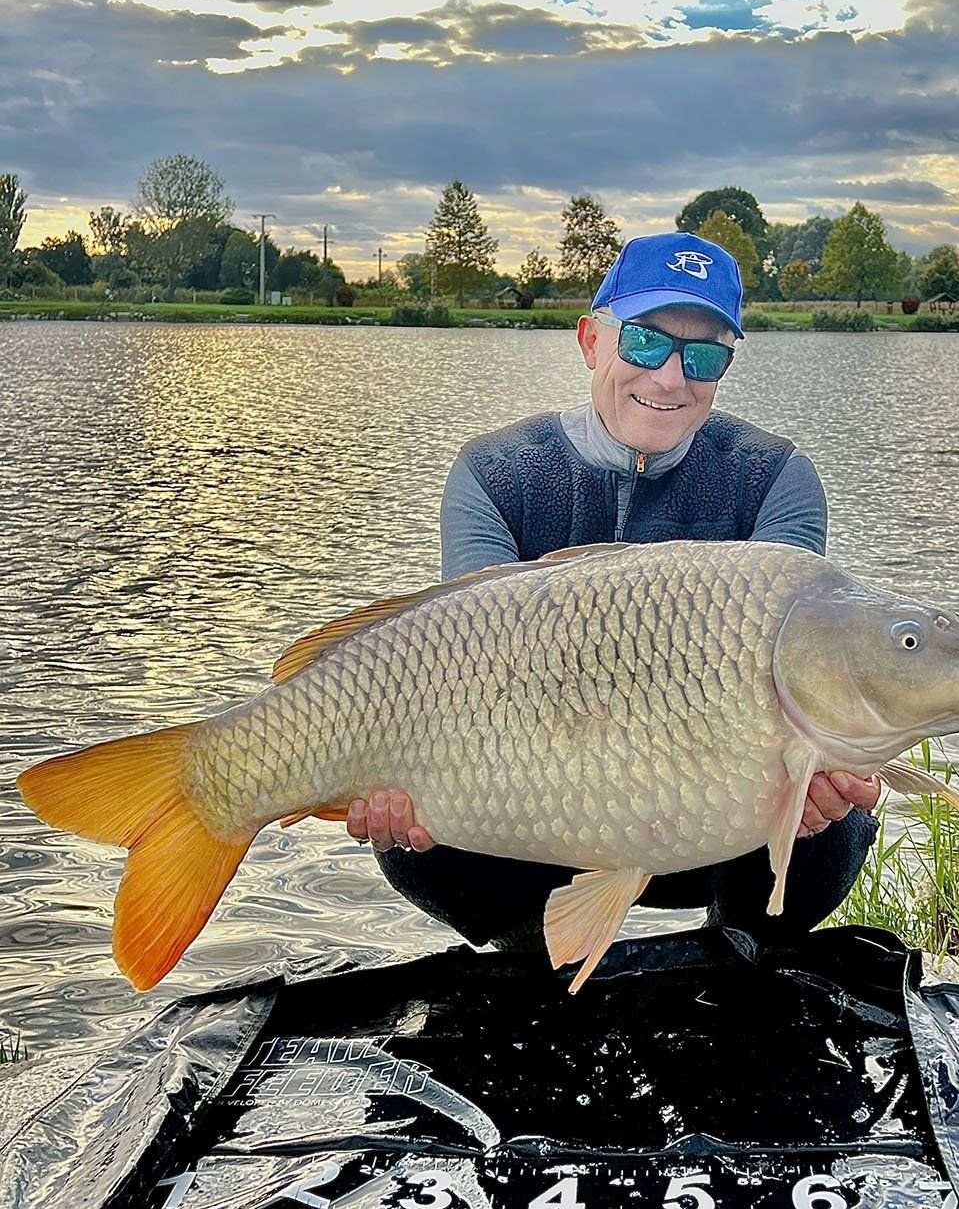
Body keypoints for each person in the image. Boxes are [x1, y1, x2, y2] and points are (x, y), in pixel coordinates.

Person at [346, 231, 880, 953]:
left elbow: (790, 679)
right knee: (412, 826)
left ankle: (737, 952)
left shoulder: (775, 477)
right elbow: (462, 676)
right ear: (591, 340)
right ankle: (534, 957)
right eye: (645, 342)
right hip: (532, 812)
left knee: (836, 796)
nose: (670, 379)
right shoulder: (495, 474)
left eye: (703, 355)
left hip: (714, 820)